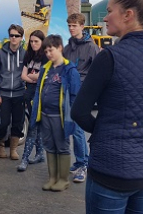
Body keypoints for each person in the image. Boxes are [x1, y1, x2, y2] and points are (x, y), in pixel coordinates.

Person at [72, 0, 143, 214]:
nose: (105, 17)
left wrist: (104, 132)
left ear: (128, 14)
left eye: (110, 11)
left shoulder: (109, 57)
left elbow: (79, 112)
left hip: (113, 168)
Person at [30, 34, 81, 192]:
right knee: (50, 146)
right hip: (45, 115)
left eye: (51, 50)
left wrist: (71, 118)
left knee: (62, 147)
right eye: (46, 52)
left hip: (60, 117)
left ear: (59, 48)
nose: (48, 54)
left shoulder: (69, 70)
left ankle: (63, 180)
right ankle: (52, 178)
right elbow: (39, 91)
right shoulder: (46, 69)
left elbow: (74, 96)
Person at [63, 13, 99, 183]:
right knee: (73, 128)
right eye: (69, 25)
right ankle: (80, 161)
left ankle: (83, 165)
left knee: (77, 130)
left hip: (82, 93)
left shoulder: (91, 47)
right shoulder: (68, 47)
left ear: (82, 27)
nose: (71, 28)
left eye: (74, 25)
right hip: (68, 91)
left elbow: (99, 71)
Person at [0, 24, 26, 160]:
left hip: (19, 94)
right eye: (11, 35)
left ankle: (13, 150)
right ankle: (0, 145)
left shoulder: (25, 54)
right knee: (3, 122)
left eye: (16, 36)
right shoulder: (0, 54)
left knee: (18, 123)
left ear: (21, 38)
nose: (13, 38)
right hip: (4, 95)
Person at [17, 30, 48, 171]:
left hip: (41, 95)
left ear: (42, 42)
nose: (33, 43)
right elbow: (23, 75)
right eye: (31, 41)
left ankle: (24, 159)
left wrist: (33, 76)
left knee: (33, 126)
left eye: (36, 41)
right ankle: (40, 154)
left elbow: (44, 75)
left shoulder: (46, 56)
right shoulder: (28, 55)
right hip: (29, 94)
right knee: (37, 125)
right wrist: (33, 77)